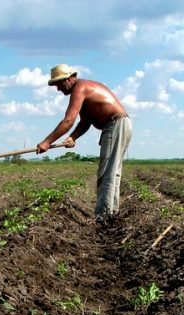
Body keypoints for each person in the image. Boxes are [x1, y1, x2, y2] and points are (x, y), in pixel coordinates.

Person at [37, 64, 132, 222]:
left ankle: (103, 217)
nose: (58, 89)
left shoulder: (79, 89)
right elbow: (85, 121)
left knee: (107, 173)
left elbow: (68, 120)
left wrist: (47, 141)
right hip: (119, 124)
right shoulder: (84, 88)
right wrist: (73, 137)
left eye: (59, 84)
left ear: (69, 79)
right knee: (112, 173)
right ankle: (111, 214)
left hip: (115, 124)